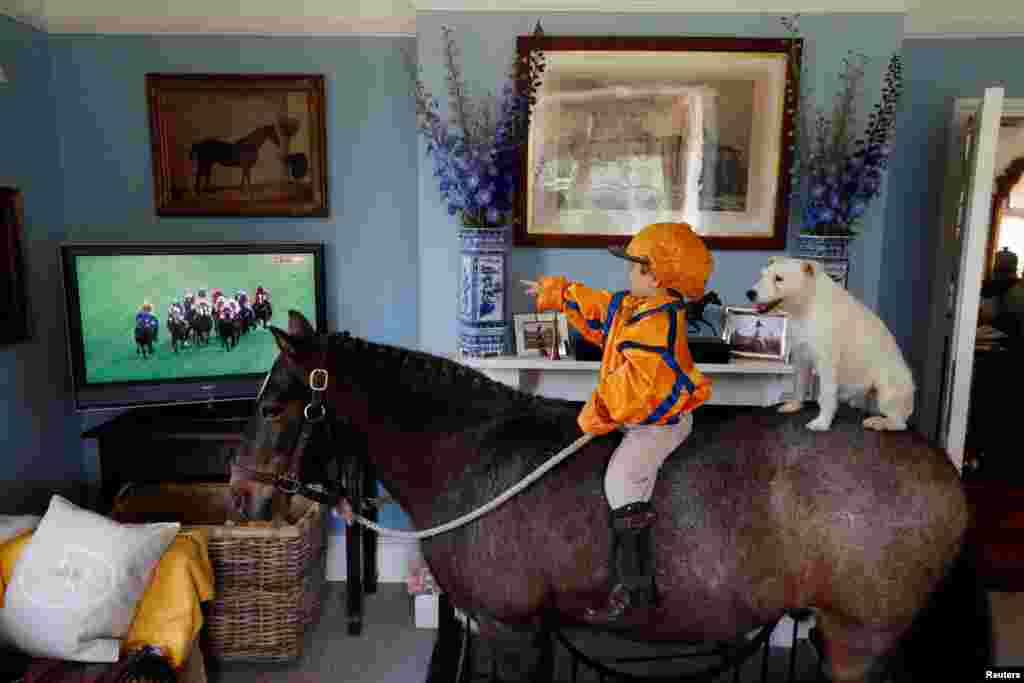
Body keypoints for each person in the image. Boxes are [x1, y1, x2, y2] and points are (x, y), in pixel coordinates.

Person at [521, 221, 714, 625]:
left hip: (658, 424)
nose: (628, 275)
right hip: (641, 418)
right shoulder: (641, 307)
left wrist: (596, 414)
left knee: (621, 481)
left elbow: (636, 386)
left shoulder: (658, 322)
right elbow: (606, 309)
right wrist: (560, 293)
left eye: (634, 267)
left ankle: (636, 588)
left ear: (656, 274)